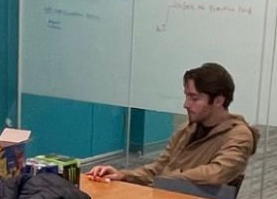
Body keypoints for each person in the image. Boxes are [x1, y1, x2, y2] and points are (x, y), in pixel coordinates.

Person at [86, 62, 258, 191]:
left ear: (219, 101)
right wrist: (123, 175)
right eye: (187, 96)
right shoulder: (187, 129)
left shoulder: (239, 135)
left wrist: (167, 179)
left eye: (194, 98)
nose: (186, 104)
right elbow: (159, 167)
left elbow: (216, 173)